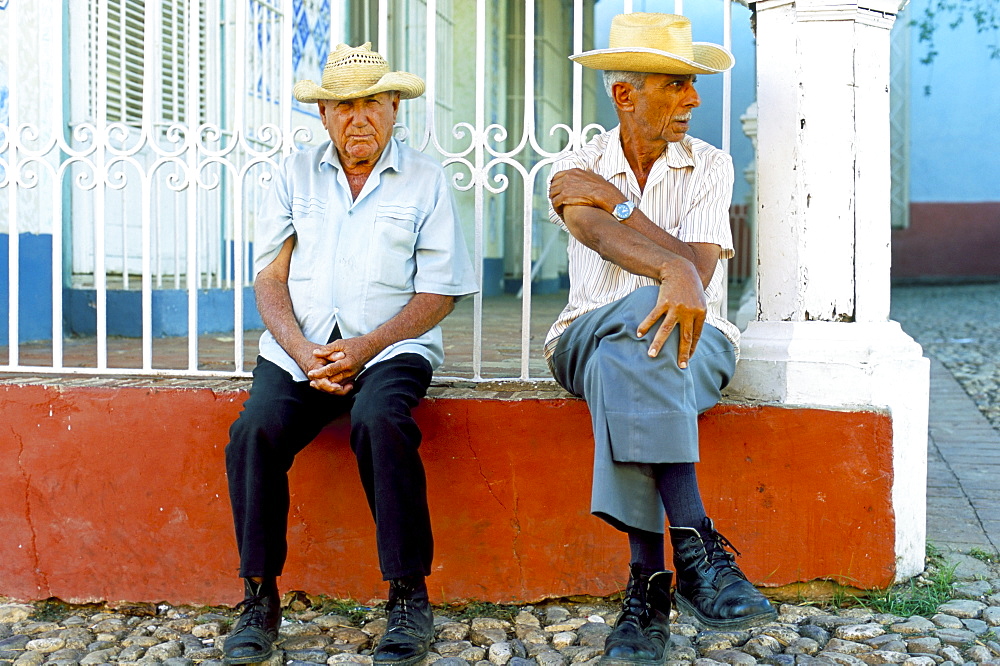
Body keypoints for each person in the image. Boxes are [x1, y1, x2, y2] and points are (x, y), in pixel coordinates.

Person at [222, 42, 477, 666]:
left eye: (372, 103)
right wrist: (303, 350)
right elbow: (270, 279)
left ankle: (408, 596)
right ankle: (258, 596)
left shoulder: (426, 179)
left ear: (394, 107)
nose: (358, 118)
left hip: (392, 347)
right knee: (253, 432)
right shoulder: (292, 174)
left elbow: (440, 292)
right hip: (300, 350)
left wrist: (366, 346)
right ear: (325, 114)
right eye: (344, 106)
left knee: (381, 421)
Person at [545, 13, 776, 664]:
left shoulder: (709, 165)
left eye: (693, 85)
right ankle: (700, 546)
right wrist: (667, 267)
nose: (693, 100)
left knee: (640, 341)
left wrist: (626, 212)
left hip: (696, 345)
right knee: (639, 314)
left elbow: (696, 277)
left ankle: (646, 590)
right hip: (584, 339)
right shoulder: (578, 164)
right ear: (625, 94)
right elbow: (594, 234)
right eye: (674, 84)